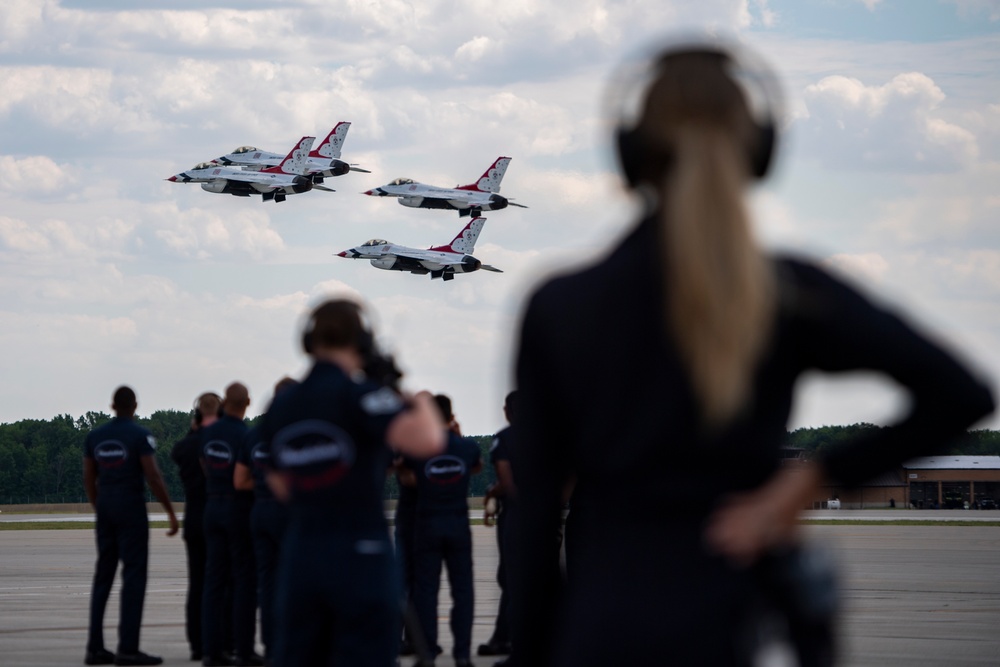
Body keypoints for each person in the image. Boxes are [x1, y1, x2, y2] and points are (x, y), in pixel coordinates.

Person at [511, 40, 995, 667]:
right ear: (759, 150)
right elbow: (961, 391)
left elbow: (535, 514)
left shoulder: (561, 305)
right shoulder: (788, 291)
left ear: (633, 153)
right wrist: (811, 481)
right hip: (737, 618)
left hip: (608, 621)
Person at [260, 298, 445, 667]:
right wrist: (410, 395)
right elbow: (427, 442)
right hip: (360, 553)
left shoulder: (282, 405)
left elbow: (279, 484)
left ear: (309, 342)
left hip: (302, 553)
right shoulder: (361, 396)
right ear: (362, 341)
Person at [83, 386, 179, 666]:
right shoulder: (139, 435)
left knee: (103, 576)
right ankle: (128, 647)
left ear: (112, 405)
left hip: (106, 507)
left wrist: (98, 505)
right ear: (134, 405)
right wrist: (171, 513)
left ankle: (95, 647)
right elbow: (153, 475)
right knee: (134, 577)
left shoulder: (95, 436)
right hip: (130, 507)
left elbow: (88, 476)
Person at [406, 394, 483, 667]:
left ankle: (426, 652)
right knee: (462, 589)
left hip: (427, 522)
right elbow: (476, 466)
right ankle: (462, 653)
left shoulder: (417, 449)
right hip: (458, 523)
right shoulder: (466, 448)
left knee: (425, 590)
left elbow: (405, 475)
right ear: (451, 417)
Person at [234, 377, 297, 663]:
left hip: (260, 512)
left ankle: (271, 646)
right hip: (288, 514)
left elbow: (239, 481)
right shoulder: (295, 433)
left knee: (267, 583)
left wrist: (263, 485)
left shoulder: (253, 435)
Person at [200, 382, 262, 667]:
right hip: (237, 508)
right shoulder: (245, 435)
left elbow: (203, 463)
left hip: (212, 504)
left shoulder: (207, 433)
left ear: (225, 402)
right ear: (247, 402)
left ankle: (212, 651)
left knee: (213, 581)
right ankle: (244, 649)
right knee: (243, 581)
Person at [170, 391, 221, 662]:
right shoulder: (221, 441)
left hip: (194, 519)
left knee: (197, 584)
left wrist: (193, 430)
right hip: (219, 518)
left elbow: (177, 452)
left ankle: (197, 644)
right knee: (223, 584)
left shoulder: (186, 447)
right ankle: (222, 641)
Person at [479, 391, 518, 659]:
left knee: (509, 577)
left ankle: (503, 638)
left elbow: (506, 482)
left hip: (516, 515)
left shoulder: (505, 439)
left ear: (508, 411)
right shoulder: (551, 436)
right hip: (547, 515)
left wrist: (492, 493)